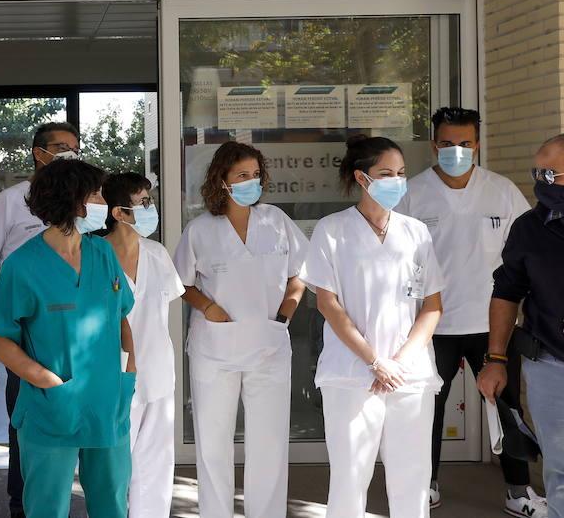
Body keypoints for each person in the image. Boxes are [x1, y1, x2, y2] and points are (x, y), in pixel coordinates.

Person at [398, 108, 542, 514]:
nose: (456, 151)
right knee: (427, 408)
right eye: (447, 144)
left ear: (477, 145)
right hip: (431, 323)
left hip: (492, 323)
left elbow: (523, 256)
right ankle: (424, 486)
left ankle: (518, 492)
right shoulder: (412, 193)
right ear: (434, 145)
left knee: (508, 405)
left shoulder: (502, 191)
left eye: (464, 144)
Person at [0, 159, 136, 518]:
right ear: (74, 201)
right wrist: (46, 381)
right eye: (95, 194)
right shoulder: (23, 264)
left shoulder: (103, 253)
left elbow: (120, 313)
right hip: (51, 406)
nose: (101, 202)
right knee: (47, 507)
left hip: (107, 402)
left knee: (112, 502)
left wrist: (130, 367)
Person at [302, 135, 444, 518]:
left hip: (409, 375)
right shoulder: (331, 231)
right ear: (361, 178)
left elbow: (431, 306)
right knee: (349, 478)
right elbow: (327, 304)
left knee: (413, 480)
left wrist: (397, 362)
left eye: (400, 173)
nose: (396, 180)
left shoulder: (416, 232)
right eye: (386, 174)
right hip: (351, 375)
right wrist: (373, 361)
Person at [172, 142, 306, 518]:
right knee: (213, 445)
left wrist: (284, 314)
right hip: (216, 350)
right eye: (242, 175)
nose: (252, 182)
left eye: (255, 174)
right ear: (222, 181)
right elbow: (182, 283)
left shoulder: (276, 221)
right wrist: (209, 307)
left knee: (269, 443)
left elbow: (301, 274)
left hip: (269, 346)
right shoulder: (200, 228)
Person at [0, 120, 80, 518]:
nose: (70, 152)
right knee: (27, 415)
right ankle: (21, 503)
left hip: (76, 329)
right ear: (40, 153)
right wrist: (9, 306)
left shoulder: (83, 200)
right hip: (28, 329)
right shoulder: (13, 200)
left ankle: (71, 497)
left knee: (77, 410)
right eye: (62, 146)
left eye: (75, 146)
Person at [480, 134, 564, 516]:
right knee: (560, 467)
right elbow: (506, 292)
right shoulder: (529, 228)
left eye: (550, 173)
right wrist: (496, 357)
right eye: (538, 172)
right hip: (550, 365)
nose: (540, 182)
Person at [101, 172, 183, 518]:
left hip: (158, 373)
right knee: (113, 468)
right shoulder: (95, 254)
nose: (152, 209)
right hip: (112, 378)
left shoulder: (157, 253)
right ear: (119, 213)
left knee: (156, 468)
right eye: (143, 203)